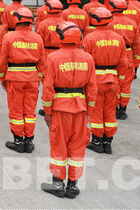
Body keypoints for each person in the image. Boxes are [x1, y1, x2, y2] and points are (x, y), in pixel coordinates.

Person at [39, 22, 97, 199]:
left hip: (60, 108)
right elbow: (92, 87)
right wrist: (89, 111)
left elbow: (48, 87)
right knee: (77, 147)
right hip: (80, 108)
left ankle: (58, 184)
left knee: (59, 145)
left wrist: (47, 111)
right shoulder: (88, 58)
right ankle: (73, 185)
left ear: (61, 37)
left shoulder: (53, 58)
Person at [0, 7, 45, 154]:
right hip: (32, 79)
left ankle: (18, 141)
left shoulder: (9, 38)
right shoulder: (37, 38)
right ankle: (29, 141)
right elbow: (42, 62)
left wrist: (2, 77)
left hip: (14, 78)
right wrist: (38, 76)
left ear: (16, 20)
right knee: (30, 111)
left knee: (16, 111)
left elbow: (2, 60)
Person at [82, 7, 128, 155]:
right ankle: (107, 142)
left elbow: (85, 61)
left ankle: (97, 141)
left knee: (96, 112)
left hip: (96, 80)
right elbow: (123, 63)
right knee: (110, 111)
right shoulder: (118, 38)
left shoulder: (89, 38)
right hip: (113, 80)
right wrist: (120, 80)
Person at [109, 0, 140, 120]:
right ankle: (122, 109)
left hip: (114, 54)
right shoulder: (132, 23)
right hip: (128, 54)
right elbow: (137, 44)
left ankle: (114, 107)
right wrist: (136, 61)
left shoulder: (109, 22)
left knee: (115, 82)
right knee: (126, 85)